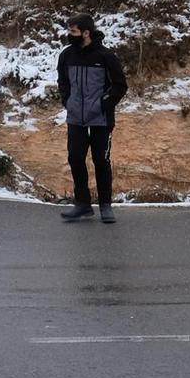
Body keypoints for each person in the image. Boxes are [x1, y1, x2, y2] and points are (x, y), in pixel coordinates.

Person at [57, 12, 127, 223]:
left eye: (74, 31)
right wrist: (67, 101)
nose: (70, 34)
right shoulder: (66, 55)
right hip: (76, 118)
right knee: (75, 158)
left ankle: (106, 205)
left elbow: (120, 86)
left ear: (86, 32)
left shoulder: (106, 57)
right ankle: (83, 205)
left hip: (101, 120)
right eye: (69, 30)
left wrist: (101, 105)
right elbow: (63, 82)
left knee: (101, 161)